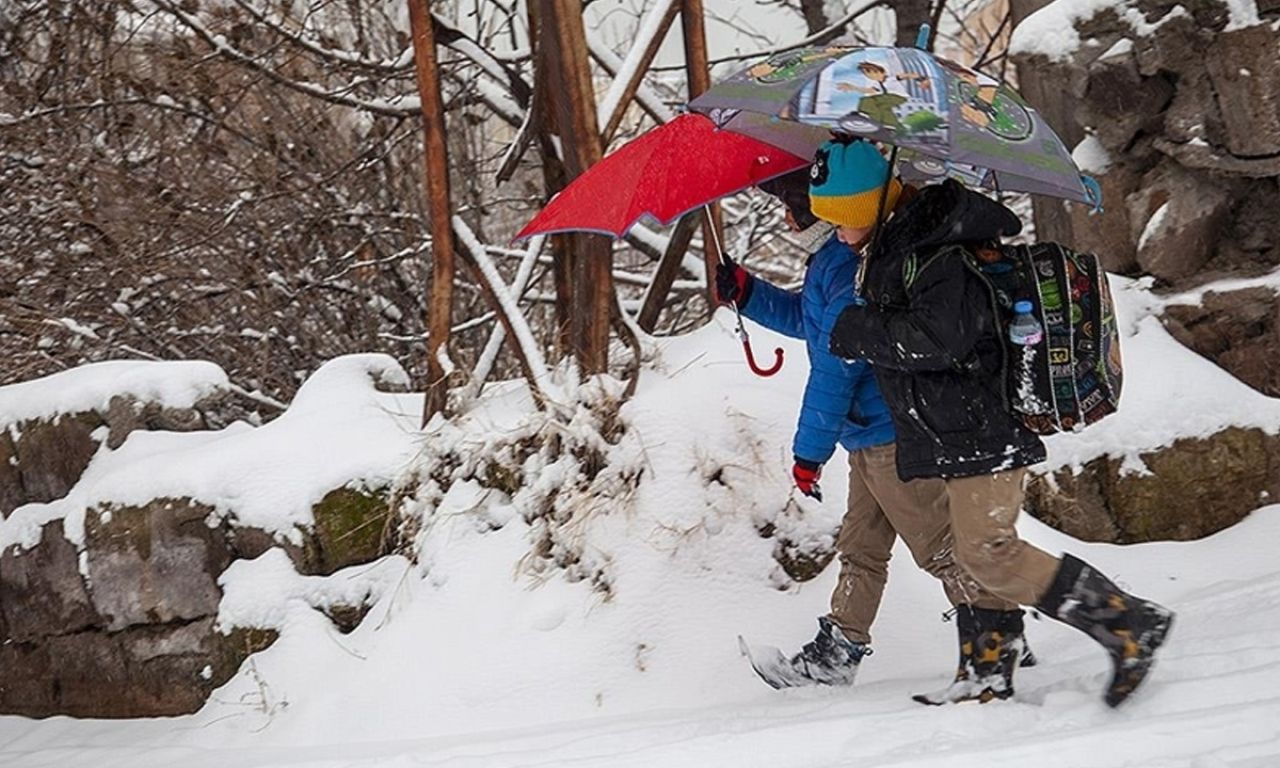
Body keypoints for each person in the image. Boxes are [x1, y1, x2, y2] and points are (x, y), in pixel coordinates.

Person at [815, 138, 1174, 707]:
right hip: (953, 430)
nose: (833, 233)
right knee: (973, 550)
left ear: (866, 207)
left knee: (987, 552)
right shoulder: (900, 250)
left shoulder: (937, 255)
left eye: (838, 219)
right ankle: (985, 672)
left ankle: (1128, 623)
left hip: (982, 427)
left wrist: (860, 330)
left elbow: (941, 340)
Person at [716, 167, 1031, 698]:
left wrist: (808, 454)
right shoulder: (830, 263)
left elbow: (835, 369)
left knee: (939, 548)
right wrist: (750, 295)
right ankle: (837, 654)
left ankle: (997, 638)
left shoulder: (847, 268)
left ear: (815, 213)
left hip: (889, 433)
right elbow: (811, 323)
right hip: (867, 436)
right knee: (861, 546)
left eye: (790, 210)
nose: (785, 221)